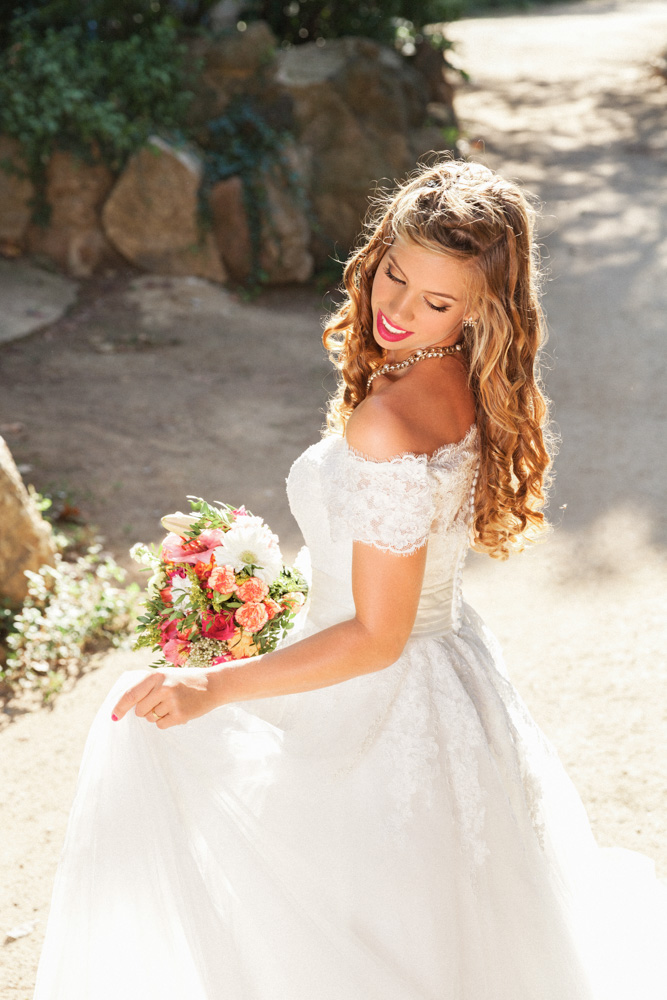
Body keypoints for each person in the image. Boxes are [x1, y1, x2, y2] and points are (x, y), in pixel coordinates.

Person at [33, 159, 666, 1000]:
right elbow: (386, 573)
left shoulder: (384, 420)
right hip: (447, 674)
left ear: (482, 308)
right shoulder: (463, 380)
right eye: (394, 275)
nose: (398, 311)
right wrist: (269, 585)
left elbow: (376, 633)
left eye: (435, 301)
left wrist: (210, 686)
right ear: (379, 249)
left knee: (156, 747)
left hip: (376, 693)